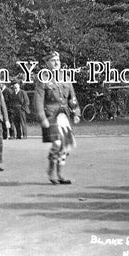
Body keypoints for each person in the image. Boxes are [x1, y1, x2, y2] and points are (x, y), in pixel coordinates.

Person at [34, 51, 80, 185]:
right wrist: (42, 118)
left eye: (58, 60)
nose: (56, 63)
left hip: (64, 115)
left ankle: (60, 174)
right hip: (51, 115)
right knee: (57, 144)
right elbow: (38, 100)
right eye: (53, 60)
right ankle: (51, 171)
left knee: (66, 146)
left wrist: (76, 112)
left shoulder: (65, 77)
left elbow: (72, 98)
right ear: (47, 63)